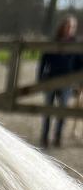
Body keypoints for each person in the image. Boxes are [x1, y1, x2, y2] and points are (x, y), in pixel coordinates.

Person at [39, 14, 83, 148]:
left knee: (62, 110)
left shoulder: (77, 45)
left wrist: (80, 82)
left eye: (72, 27)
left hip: (67, 82)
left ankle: (57, 137)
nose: (69, 29)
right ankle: (44, 137)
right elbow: (43, 61)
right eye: (67, 26)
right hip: (51, 79)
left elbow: (80, 64)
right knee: (48, 109)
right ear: (63, 27)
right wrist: (40, 78)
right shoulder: (54, 41)